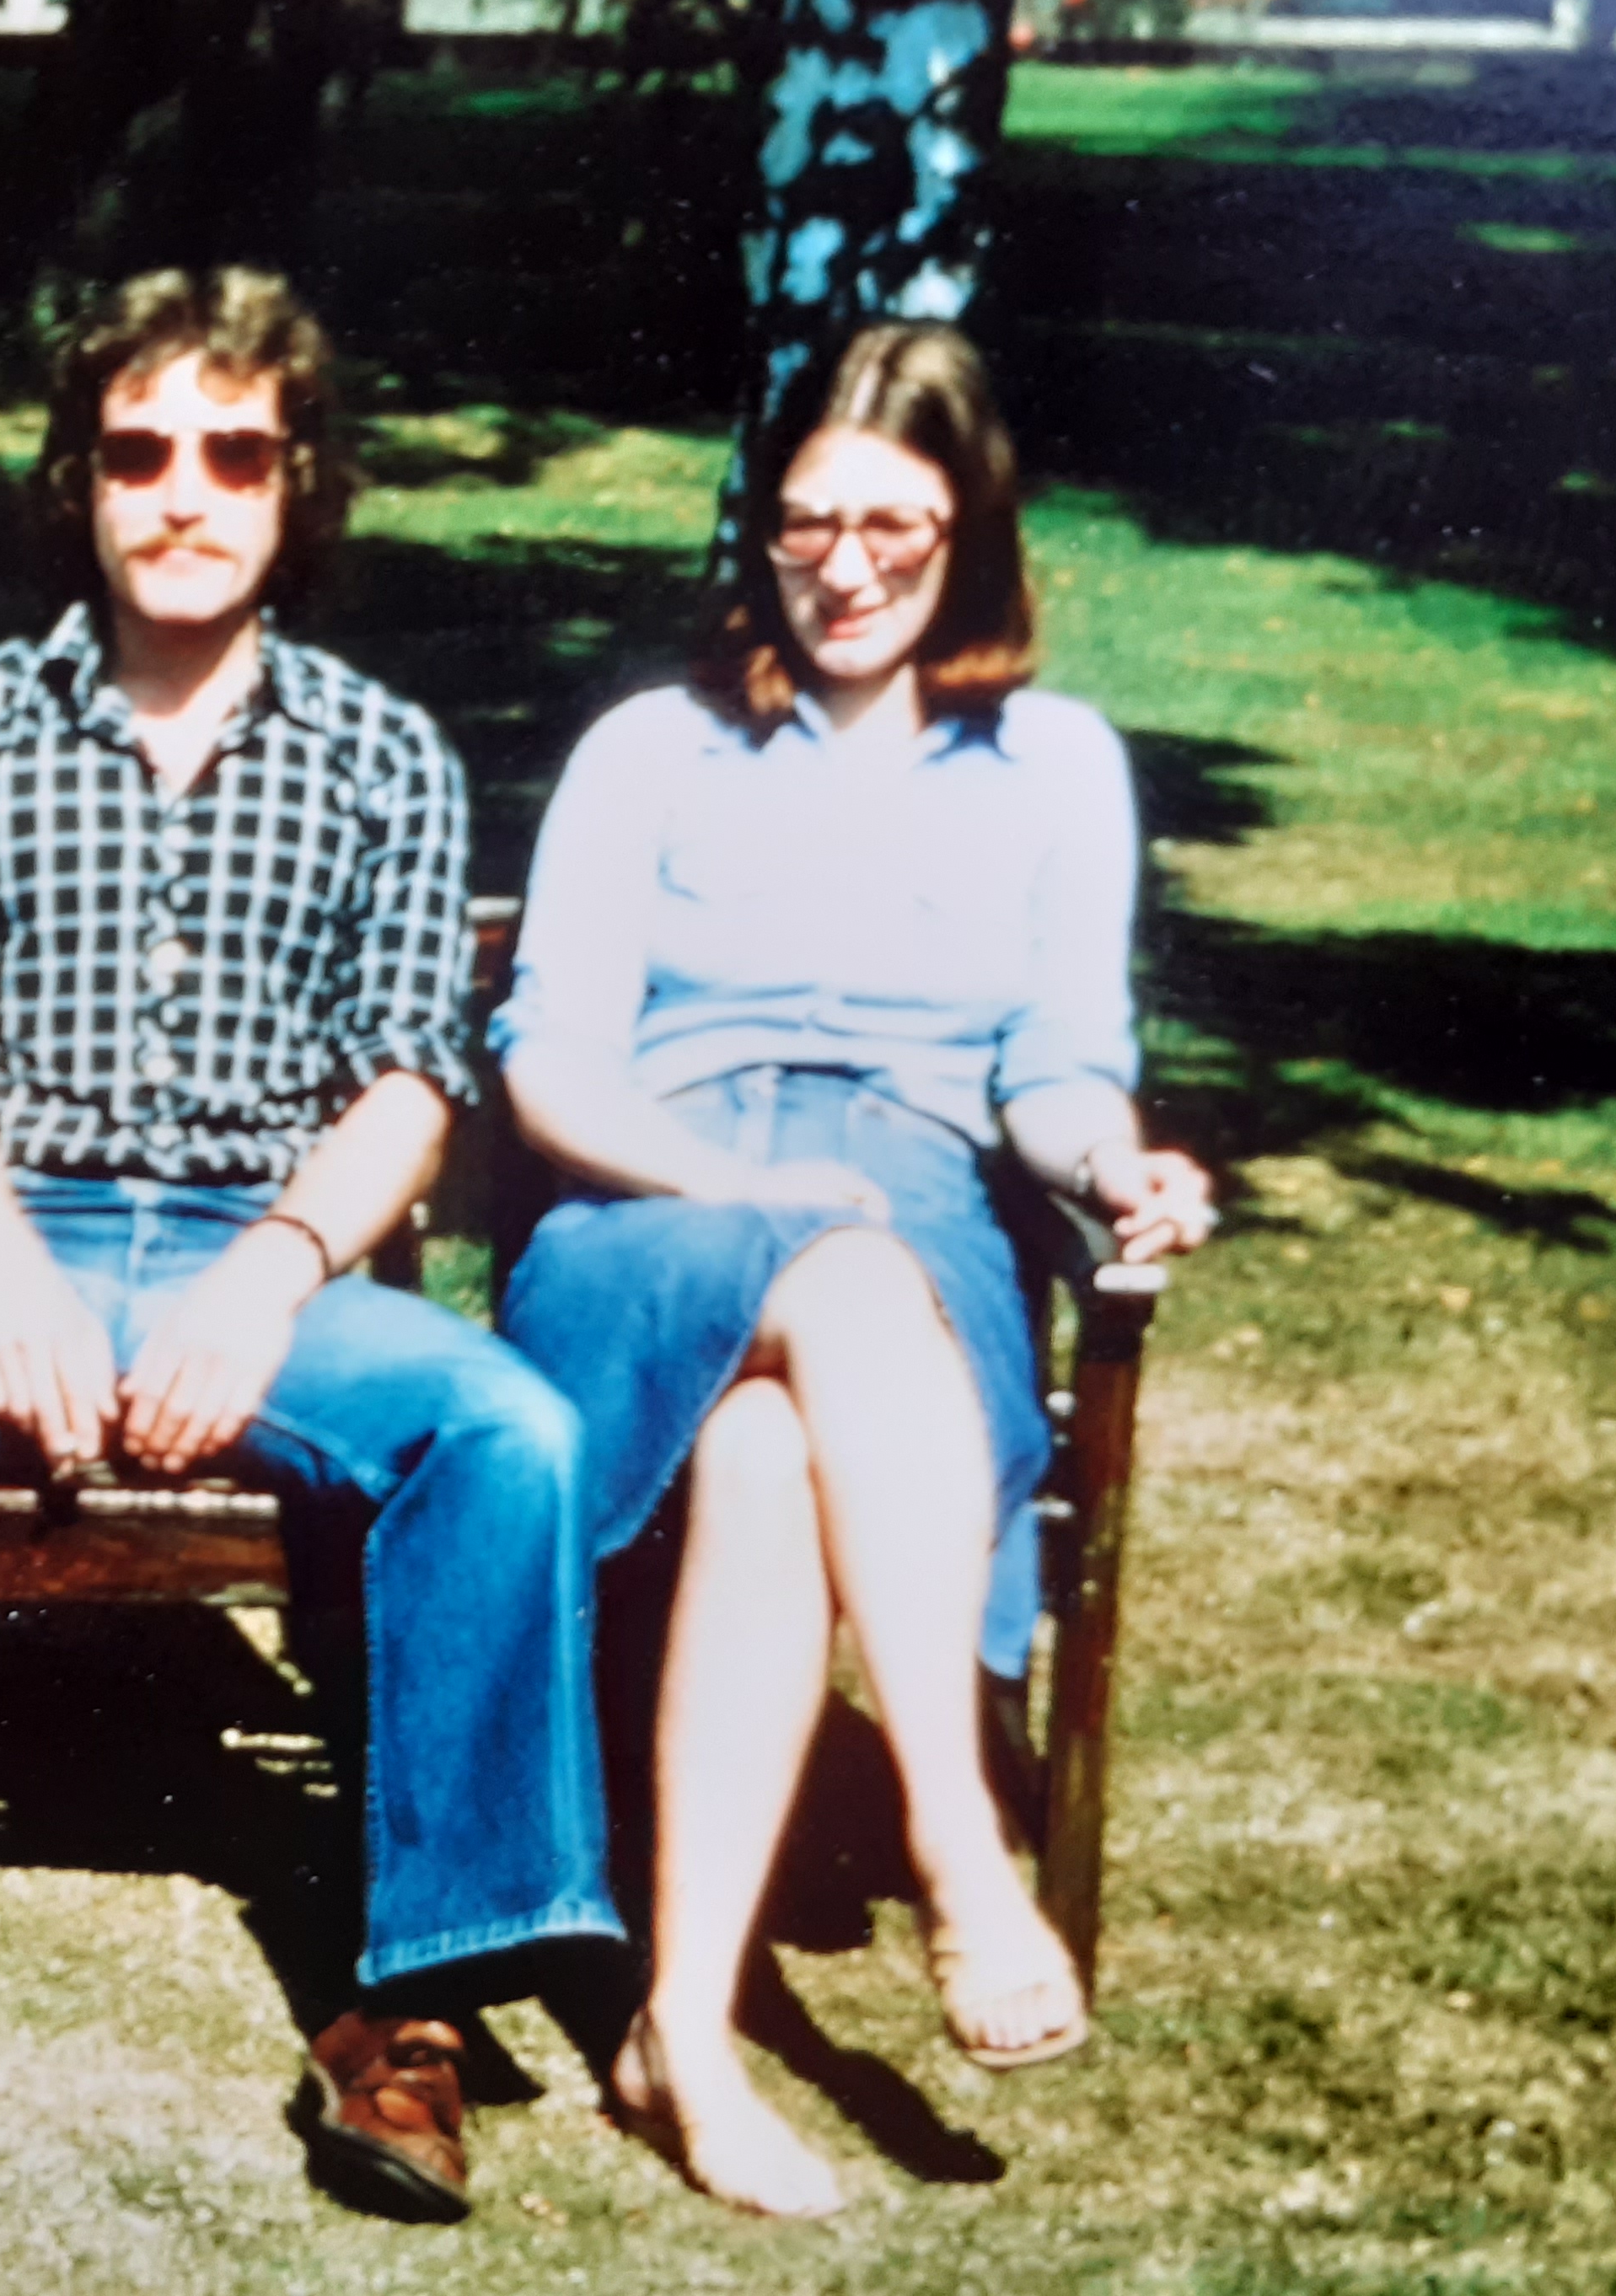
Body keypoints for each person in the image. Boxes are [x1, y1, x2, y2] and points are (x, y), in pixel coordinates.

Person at [0, 267, 614, 2221]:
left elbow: (413, 1077)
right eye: (140, 451)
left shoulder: (383, 751)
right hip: (7, 1225)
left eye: (232, 454)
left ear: (293, 483)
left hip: (275, 1258)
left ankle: (413, 2008)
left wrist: (270, 1277)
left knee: (516, 1436)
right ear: (81, 479)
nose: (184, 492)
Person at [493, 320, 1216, 2219]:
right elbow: (552, 1063)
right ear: (762, 532)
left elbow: (1058, 1072)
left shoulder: (1055, 766)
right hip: (649, 1216)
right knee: (833, 1258)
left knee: (766, 1454)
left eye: (897, 521)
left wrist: (1115, 1162)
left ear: (972, 531)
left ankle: (684, 2035)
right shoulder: (652, 747)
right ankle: (967, 1855)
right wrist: (749, 1182)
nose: (848, 563)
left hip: (922, 1230)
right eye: (809, 521)